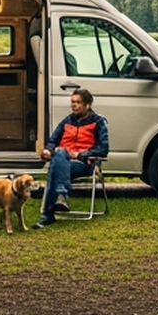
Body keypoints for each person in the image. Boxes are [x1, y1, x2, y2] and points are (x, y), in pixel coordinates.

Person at [36, 88, 107, 227]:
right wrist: (47, 150)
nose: (74, 105)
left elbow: (103, 149)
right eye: (72, 102)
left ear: (88, 105)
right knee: (59, 155)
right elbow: (52, 141)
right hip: (63, 159)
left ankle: (47, 214)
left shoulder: (98, 122)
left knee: (55, 165)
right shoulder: (67, 121)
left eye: (78, 102)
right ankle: (61, 196)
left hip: (83, 164)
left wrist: (81, 154)